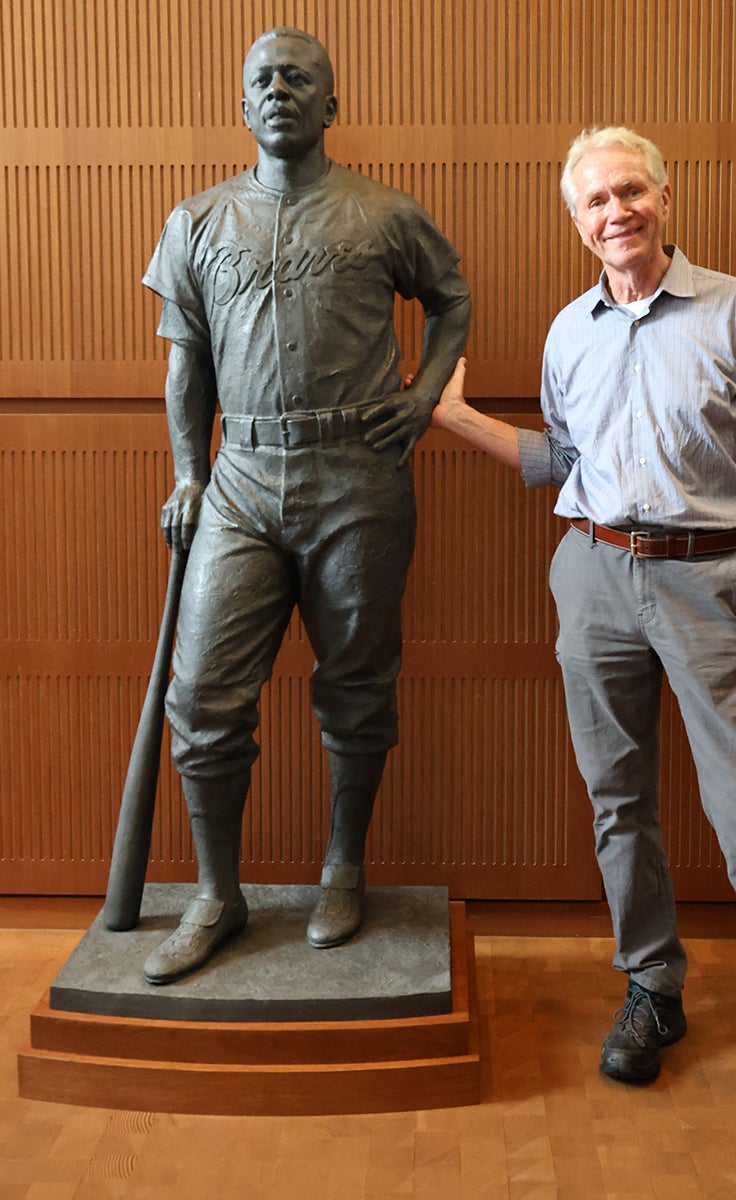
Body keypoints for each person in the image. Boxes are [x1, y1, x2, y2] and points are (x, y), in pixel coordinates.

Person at [432, 126, 736, 1161]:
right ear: (576, 223)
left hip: (710, 581)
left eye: (631, 192)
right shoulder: (567, 332)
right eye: (594, 202)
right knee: (620, 802)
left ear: (666, 197)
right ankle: (653, 989)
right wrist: (450, 415)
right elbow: (559, 461)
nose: (615, 212)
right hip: (592, 575)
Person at [140, 27, 470, 986]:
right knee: (201, 694)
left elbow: (452, 300)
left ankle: (343, 867)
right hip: (239, 481)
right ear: (241, 107)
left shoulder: (384, 214)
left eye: (299, 78)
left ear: (331, 105)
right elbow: (183, 362)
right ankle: (217, 893)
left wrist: (424, 400)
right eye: (261, 79)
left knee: (357, 687)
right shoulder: (195, 222)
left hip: (357, 480)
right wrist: (187, 472)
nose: (278, 89)